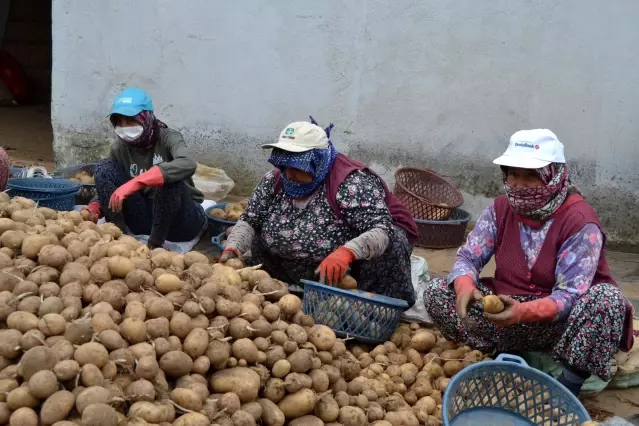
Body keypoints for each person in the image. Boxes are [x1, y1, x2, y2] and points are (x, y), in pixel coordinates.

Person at [424, 129, 635, 395]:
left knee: (608, 300)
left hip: (561, 325)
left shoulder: (580, 221)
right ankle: (505, 353)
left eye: (531, 176)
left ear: (553, 175)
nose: (519, 184)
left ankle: (568, 385)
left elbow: (569, 296)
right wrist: (465, 287)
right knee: (437, 292)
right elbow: (468, 256)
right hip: (507, 314)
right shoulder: (500, 209)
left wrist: (523, 312)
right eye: (513, 174)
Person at [220, 119, 419, 306]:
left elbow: (381, 229)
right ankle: (289, 292)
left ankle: (368, 306)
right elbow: (250, 220)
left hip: (349, 271)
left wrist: (346, 252)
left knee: (393, 241)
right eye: (284, 165)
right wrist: (232, 249)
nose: (289, 174)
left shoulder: (351, 182)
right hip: (295, 266)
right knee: (257, 239)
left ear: (317, 160)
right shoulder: (274, 180)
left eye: (297, 166)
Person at [83, 88, 206, 249]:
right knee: (103, 168)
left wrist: (138, 182)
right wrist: (94, 207)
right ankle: (118, 236)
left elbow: (188, 163)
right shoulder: (120, 148)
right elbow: (110, 184)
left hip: (180, 221)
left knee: (169, 181)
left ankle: (154, 246)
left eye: (130, 120)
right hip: (143, 218)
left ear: (146, 117)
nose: (124, 127)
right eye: (119, 122)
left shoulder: (168, 137)